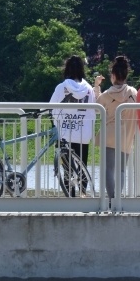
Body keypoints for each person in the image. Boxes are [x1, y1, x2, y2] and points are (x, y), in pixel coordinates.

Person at [49, 55, 96, 194]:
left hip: (64, 133)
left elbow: (51, 107)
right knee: (82, 167)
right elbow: (93, 111)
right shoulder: (89, 89)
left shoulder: (61, 87)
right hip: (83, 132)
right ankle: (83, 194)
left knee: (67, 168)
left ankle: (70, 196)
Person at [94, 55, 137, 199]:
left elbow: (96, 108)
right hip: (127, 135)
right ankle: (118, 199)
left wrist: (97, 86)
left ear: (113, 75)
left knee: (109, 169)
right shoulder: (133, 93)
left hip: (109, 135)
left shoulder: (107, 94)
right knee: (121, 170)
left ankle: (111, 199)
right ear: (125, 75)